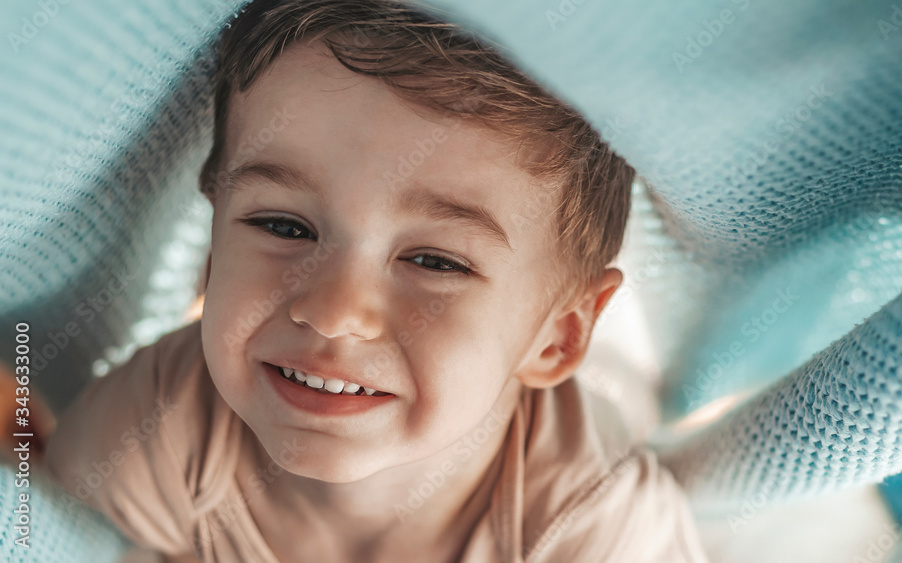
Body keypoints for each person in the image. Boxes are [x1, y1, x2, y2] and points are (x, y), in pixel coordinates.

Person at [45, 1, 709, 561]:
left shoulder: (600, 526)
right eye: (283, 225)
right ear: (212, 254)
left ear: (556, 337)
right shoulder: (159, 427)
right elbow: (46, 520)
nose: (335, 312)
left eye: (435, 261)